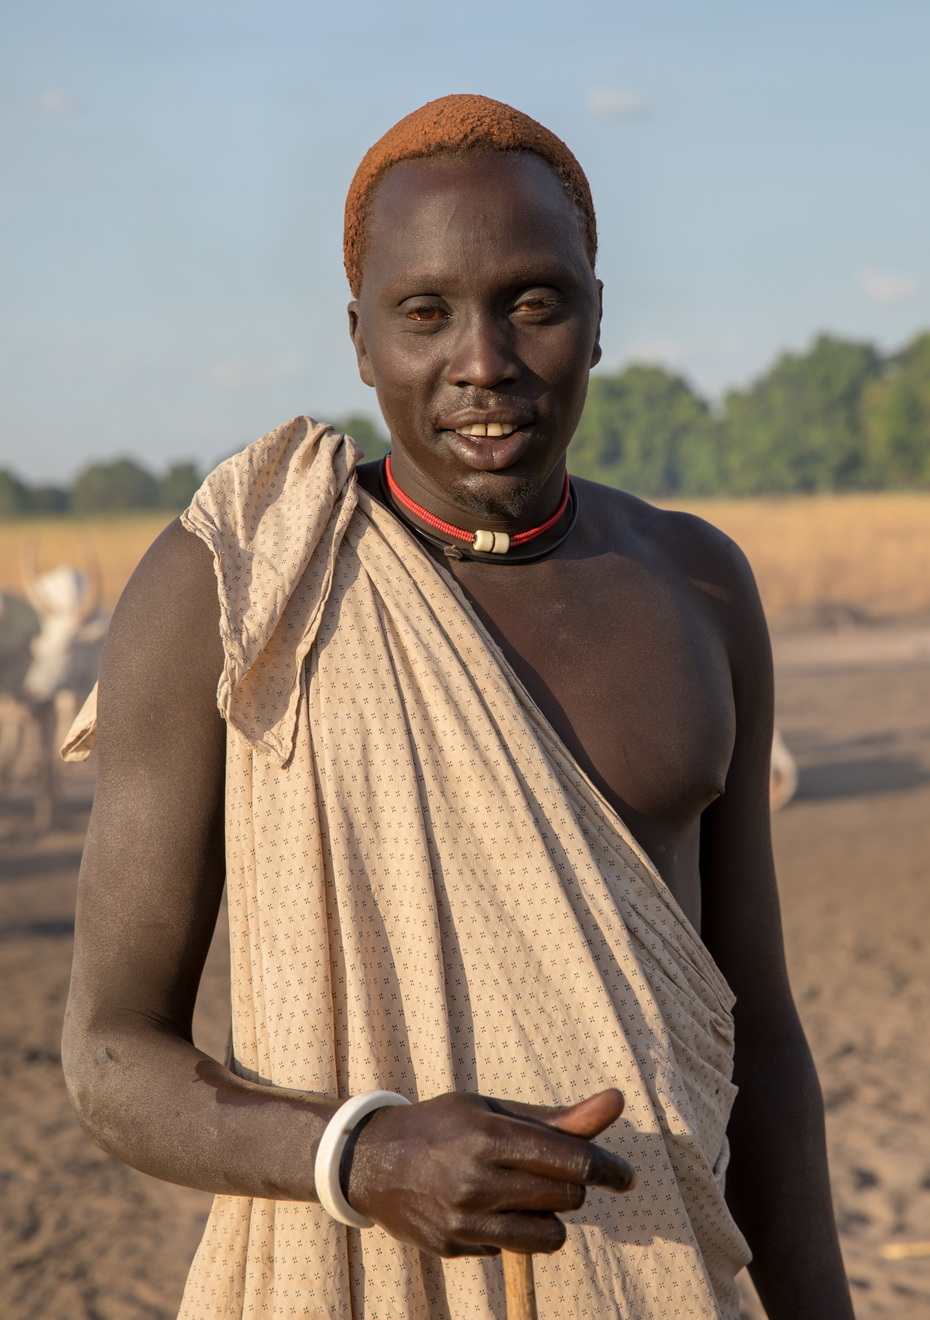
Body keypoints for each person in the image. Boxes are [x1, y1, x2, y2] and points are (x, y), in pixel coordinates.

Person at [61, 95, 853, 1319]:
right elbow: (111, 1056)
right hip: (346, 1279)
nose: (482, 360)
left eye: (534, 302)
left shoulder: (699, 585)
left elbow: (765, 1041)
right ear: (361, 338)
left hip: (664, 1285)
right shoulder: (242, 585)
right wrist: (366, 1157)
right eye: (424, 313)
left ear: (597, 321)